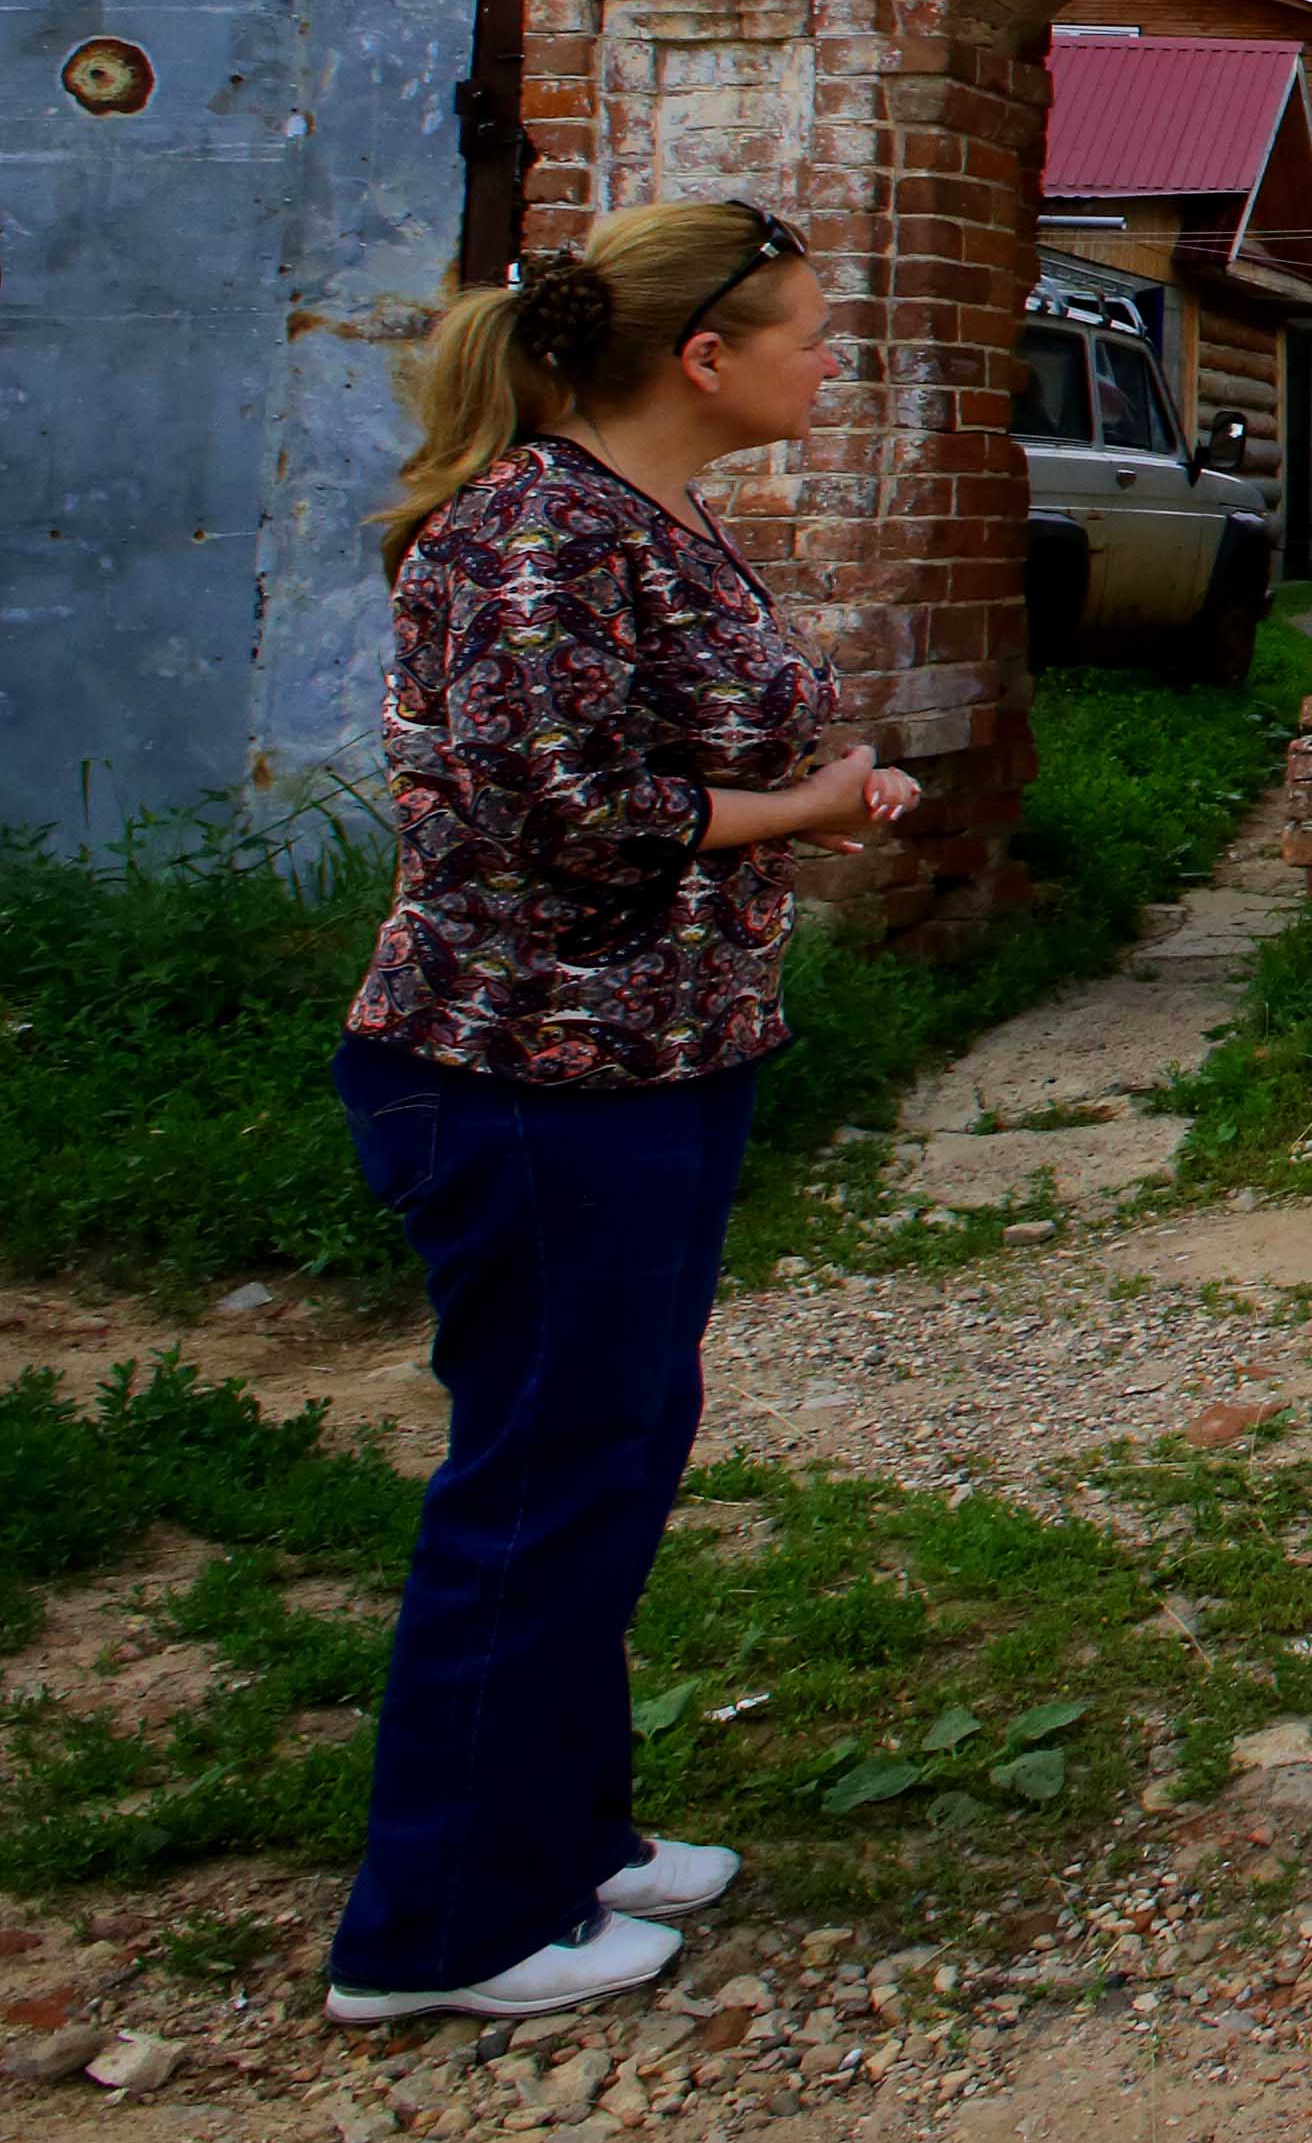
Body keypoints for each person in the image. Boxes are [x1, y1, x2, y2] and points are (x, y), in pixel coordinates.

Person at [324, 201, 924, 2026]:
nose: (834, 360)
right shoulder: (531, 535)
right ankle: (439, 1929)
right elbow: (555, 810)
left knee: (609, 1451)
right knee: (538, 1479)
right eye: (811, 332)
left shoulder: (638, 517)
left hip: (644, 1060)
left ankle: (560, 1833)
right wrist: (805, 810)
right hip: (527, 1072)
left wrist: (816, 787)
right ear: (704, 358)